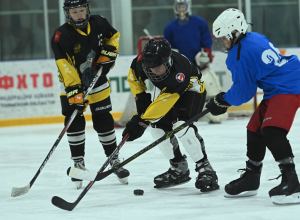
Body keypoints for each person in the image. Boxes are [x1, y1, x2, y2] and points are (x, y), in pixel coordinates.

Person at [207, 8, 300, 205]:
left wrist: (222, 100)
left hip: (287, 88)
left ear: (235, 32)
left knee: (272, 131)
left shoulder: (239, 53)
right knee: (255, 129)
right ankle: (252, 177)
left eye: (224, 38)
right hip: (282, 85)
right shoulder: (254, 37)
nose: (222, 43)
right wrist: (224, 100)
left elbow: (244, 92)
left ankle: (292, 182)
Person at [122, 39, 219, 192]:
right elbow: (134, 78)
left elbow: (166, 101)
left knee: (181, 127)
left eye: (158, 68)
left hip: (191, 89)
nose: (154, 71)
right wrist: (141, 100)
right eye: (150, 68)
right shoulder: (141, 62)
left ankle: (205, 169)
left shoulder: (179, 71)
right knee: (156, 129)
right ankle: (178, 168)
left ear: (168, 60)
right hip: (166, 90)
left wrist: (142, 120)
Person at [51, 0, 129, 189]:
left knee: (103, 118)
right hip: (72, 84)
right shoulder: (61, 35)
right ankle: (78, 163)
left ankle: (114, 158)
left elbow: (114, 36)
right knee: (74, 119)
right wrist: (74, 91)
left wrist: (108, 53)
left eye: (81, 10)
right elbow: (64, 65)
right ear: (68, 13)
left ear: (87, 10)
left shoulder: (99, 22)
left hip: (97, 78)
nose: (79, 14)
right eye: (74, 11)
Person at [164, 0, 228, 124]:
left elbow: (207, 42)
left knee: (212, 95)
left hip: (200, 67)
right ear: (175, 8)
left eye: (183, 6)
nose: (181, 9)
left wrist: (206, 54)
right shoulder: (170, 27)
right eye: (179, 6)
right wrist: (171, 54)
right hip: (180, 70)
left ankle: (215, 114)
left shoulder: (199, 23)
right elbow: (167, 47)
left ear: (188, 7)